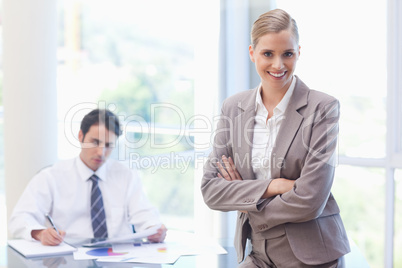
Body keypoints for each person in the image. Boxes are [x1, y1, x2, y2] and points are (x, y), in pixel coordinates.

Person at [201, 9, 350, 268]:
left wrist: (246, 202)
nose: (278, 65)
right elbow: (211, 191)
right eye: (268, 54)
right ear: (252, 53)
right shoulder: (233, 107)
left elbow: (311, 199)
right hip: (257, 252)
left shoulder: (322, 108)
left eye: (287, 54)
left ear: (298, 53)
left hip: (311, 256)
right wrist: (276, 185)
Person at [9, 109, 167, 246]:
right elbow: (19, 219)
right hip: (69, 258)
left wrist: (154, 229)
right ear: (80, 136)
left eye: (108, 145)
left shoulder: (126, 176)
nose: (101, 152)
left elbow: (144, 214)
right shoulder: (51, 177)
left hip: (118, 257)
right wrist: (40, 233)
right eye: (95, 142)